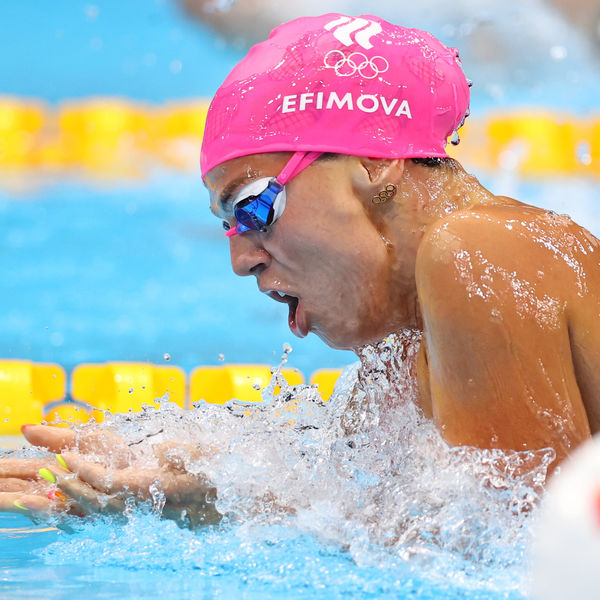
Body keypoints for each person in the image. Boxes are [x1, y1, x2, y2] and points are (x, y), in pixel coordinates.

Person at [1, 13, 599, 524]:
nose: (241, 260)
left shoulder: (478, 251)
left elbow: (515, 551)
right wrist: (168, 481)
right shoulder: (404, 342)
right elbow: (361, 501)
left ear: (373, 163)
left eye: (252, 206)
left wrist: (222, 505)